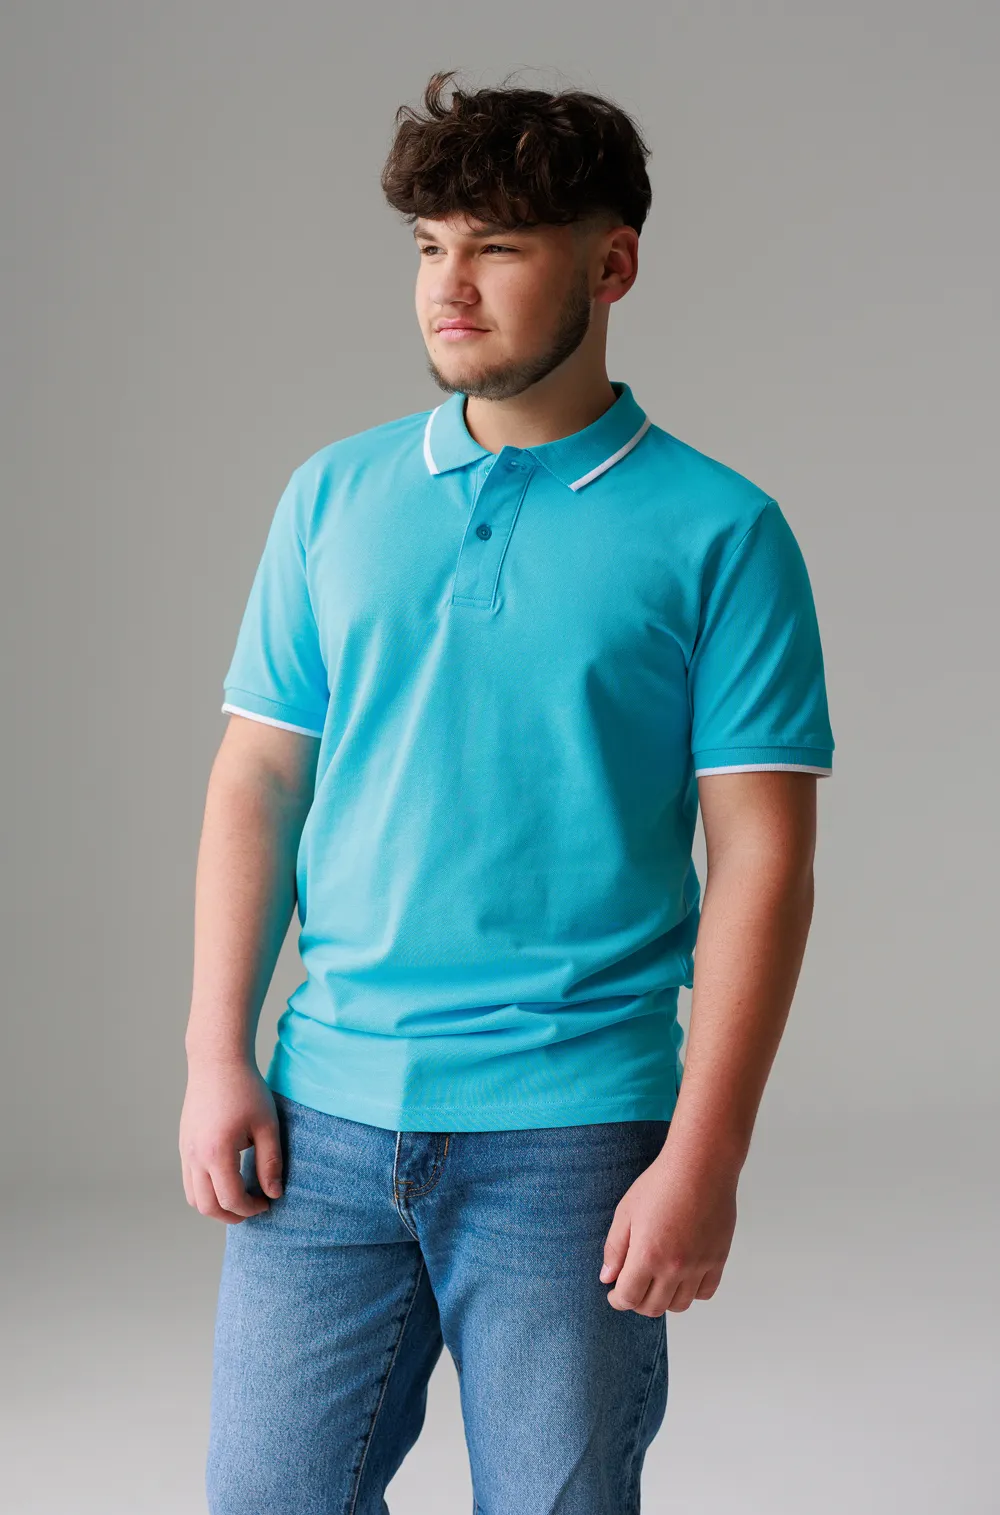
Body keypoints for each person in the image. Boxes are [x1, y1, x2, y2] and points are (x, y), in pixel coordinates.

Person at [181, 69, 835, 1515]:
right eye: (430, 246)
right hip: (324, 1118)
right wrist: (215, 1052)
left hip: (574, 1136)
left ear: (613, 265)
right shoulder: (332, 497)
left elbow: (765, 864)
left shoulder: (724, 533)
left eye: (499, 246)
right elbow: (259, 780)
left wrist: (707, 1153)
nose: (450, 287)